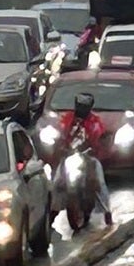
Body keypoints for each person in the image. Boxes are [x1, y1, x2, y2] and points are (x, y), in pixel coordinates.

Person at [54, 93, 112, 227]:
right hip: (69, 156)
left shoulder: (95, 122)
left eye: (84, 107)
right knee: (57, 182)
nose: (81, 109)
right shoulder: (67, 120)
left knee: (99, 182)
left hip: (89, 157)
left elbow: (100, 137)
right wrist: (59, 146)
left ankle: (107, 211)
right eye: (80, 106)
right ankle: (53, 211)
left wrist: (97, 147)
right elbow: (60, 134)